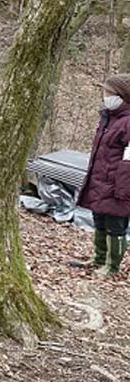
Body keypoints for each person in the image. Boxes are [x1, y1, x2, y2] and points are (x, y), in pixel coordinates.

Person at [72, 74, 130, 276]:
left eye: (109, 93)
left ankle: (112, 267)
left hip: (118, 186)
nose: (105, 96)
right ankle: (99, 259)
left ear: (121, 96)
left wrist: (122, 190)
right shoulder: (108, 118)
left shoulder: (128, 123)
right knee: (100, 221)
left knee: (115, 225)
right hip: (100, 181)